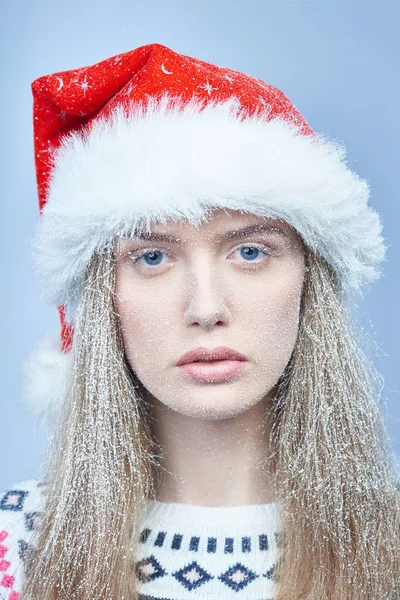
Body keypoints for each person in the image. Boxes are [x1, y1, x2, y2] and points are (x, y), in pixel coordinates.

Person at [0, 42, 398, 600]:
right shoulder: (17, 542)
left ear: (310, 281)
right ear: (102, 298)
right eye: (153, 257)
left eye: (251, 252)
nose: (206, 309)